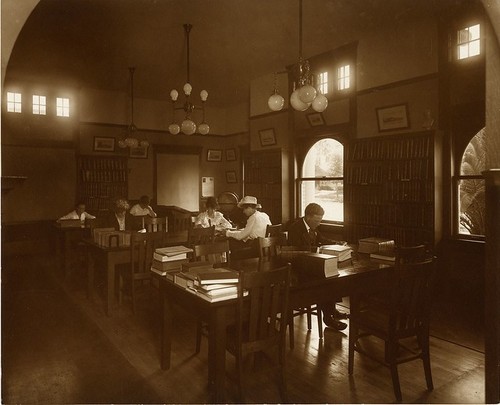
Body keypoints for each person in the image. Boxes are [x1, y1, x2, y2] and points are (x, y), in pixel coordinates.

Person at [287, 203, 348, 331]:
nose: (319, 223)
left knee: (332, 275)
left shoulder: (312, 226)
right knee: (324, 280)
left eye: (320, 220)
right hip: (298, 270)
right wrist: (316, 250)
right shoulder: (295, 229)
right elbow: (298, 251)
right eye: (317, 220)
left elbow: (322, 238)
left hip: (310, 265)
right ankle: (328, 317)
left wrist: (337, 243)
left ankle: (331, 310)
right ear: (308, 217)